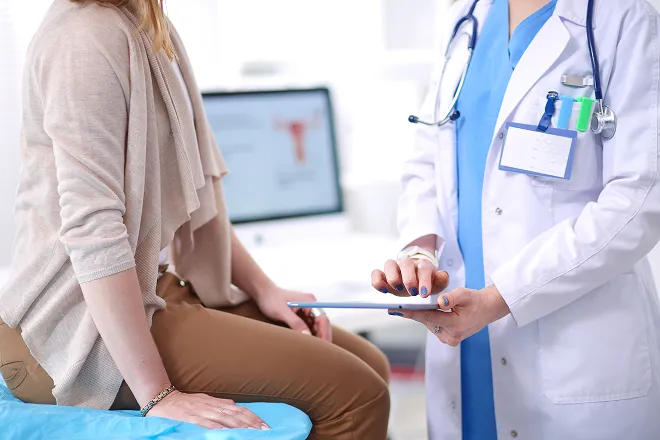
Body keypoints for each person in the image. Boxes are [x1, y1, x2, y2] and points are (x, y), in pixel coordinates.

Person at [0, 1, 391, 439]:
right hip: (66, 328)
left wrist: (264, 289)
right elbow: (93, 230)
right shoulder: (84, 37)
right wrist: (158, 395)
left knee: (369, 362)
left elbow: (193, 189)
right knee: (357, 392)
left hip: (147, 284)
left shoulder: (149, 25)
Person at [372, 0, 660, 438]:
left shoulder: (627, 18)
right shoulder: (465, 17)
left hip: (572, 347)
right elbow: (429, 153)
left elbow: (639, 199)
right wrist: (419, 248)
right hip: (465, 341)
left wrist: (502, 297)